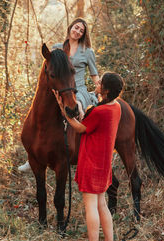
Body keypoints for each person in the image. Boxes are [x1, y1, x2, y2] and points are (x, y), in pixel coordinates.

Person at [54, 72, 124, 241]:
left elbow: (81, 128)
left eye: (100, 82)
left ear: (106, 90)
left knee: (91, 207)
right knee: (102, 204)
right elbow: (89, 121)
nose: (97, 82)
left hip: (91, 163)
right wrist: (80, 113)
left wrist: (64, 113)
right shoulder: (115, 107)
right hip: (104, 164)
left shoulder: (100, 111)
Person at [18, 18, 99, 172]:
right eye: (76, 28)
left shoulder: (87, 52)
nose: (77, 32)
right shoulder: (57, 48)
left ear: (83, 34)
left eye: (81, 31)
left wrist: (101, 87)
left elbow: (94, 75)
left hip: (78, 89)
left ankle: (81, 146)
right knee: (43, 111)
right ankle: (33, 155)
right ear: (71, 27)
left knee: (78, 109)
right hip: (60, 88)